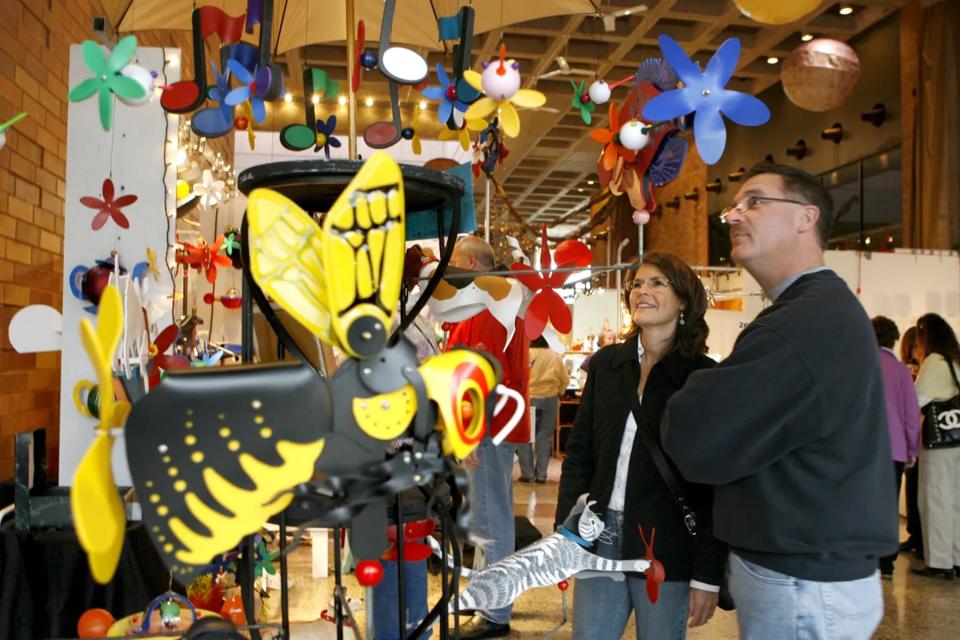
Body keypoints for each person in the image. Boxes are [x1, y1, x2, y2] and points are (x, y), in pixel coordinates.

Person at [662, 164, 896, 640]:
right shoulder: (810, 313)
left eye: (755, 202)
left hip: (803, 581)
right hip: (804, 568)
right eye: (734, 206)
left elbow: (695, 432)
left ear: (806, 218)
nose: (734, 216)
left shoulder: (805, 322)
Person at [557, 252, 725, 640]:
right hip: (598, 536)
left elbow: (712, 485)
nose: (641, 291)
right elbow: (579, 455)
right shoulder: (606, 365)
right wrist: (566, 537)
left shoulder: (702, 377)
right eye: (636, 284)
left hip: (665, 545)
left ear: (683, 299)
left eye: (656, 283)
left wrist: (707, 574)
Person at [445, 235, 530, 639]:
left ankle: (495, 612)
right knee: (486, 517)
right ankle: (488, 599)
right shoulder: (485, 303)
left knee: (492, 519)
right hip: (491, 426)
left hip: (490, 427)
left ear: (474, 262)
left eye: (456, 262)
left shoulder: (489, 305)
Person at [871, 316, 921, 579]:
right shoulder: (901, 370)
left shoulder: (860, 366)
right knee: (889, 506)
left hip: (863, 449)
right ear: (894, 339)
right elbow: (911, 417)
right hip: (894, 450)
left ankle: (864, 555)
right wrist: (913, 450)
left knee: (863, 501)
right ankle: (886, 563)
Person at [912, 313, 960, 580]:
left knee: (936, 496)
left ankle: (940, 562)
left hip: (940, 440)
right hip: (959, 438)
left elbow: (918, 399)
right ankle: (956, 557)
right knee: (957, 499)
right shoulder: (956, 358)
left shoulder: (934, 361)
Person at [517, 335, 569, 484]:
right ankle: (541, 475)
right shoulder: (555, 356)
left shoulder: (526, 354)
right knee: (544, 438)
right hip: (550, 399)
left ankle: (527, 474)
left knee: (526, 437)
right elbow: (565, 379)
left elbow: (519, 376)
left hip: (529, 399)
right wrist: (559, 391)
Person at [900, 325, 926, 556]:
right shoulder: (906, 370)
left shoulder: (931, 369)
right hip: (914, 436)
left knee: (920, 486)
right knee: (913, 484)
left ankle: (921, 537)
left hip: (925, 435)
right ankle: (915, 534)